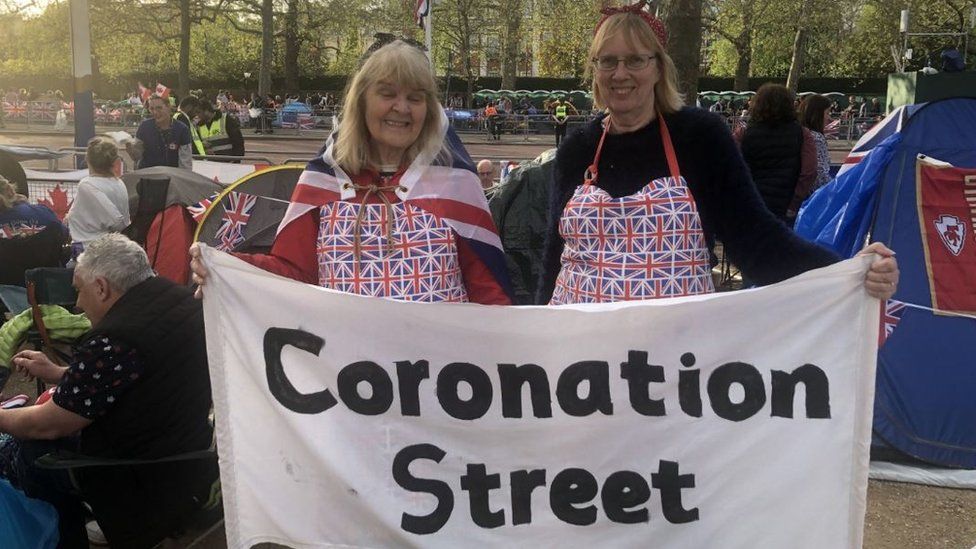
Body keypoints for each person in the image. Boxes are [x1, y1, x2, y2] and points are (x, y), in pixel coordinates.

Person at [537, 1, 898, 305]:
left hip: (679, 359)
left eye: (634, 60)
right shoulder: (576, 149)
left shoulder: (699, 137)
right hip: (581, 362)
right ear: (594, 69)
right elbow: (554, 259)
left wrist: (847, 271)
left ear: (659, 67)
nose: (620, 74)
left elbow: (758, 242)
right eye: (608, 61)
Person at [190, 40, 511, 305]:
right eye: (387, 94)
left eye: (415, 98)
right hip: (349, 375)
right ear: (361, 102)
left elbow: (488, 291)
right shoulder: (324, 183)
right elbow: (293, 274)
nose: (402, 107)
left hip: (437, 374)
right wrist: (226, 269)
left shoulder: (452, 186)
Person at [4, 235, 217, 548]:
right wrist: (58, 372)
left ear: (101, 287)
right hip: (183, 447)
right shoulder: (183, 302)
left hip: (136, 467)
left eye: (78, 290)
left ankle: (65, 538)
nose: (77, 302)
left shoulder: (117, 337)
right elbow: (138, 377)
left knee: (28, 454)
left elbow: (48, 424)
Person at [738, 83, 818, 225]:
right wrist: (794, 203)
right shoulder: (803, 134)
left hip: (749, 204)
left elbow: (730, 167)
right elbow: (809, 171)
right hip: (784, 206)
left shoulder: (743, 133)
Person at [66, 136, 130, 256]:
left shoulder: (87, 185)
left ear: (88, 160)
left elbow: (117, 221)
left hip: (90, 253)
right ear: (113, 162)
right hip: (110, 249)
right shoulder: (119, 183)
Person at [133, 94, 192, 169]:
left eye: (159, 108)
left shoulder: (182, 129)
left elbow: (185, 163)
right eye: (151, 109)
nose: (155, 112)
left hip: (171, 177)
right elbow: (137, 156)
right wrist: (131, 150)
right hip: (148, 176)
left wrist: (182, 179)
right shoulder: (144, 126)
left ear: (168, 107)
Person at [799, 93, 833, 190]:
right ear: (817, 114)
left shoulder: (800, 132)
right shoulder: (816, 138)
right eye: (827, 113)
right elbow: (819, 174)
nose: (829, 118)